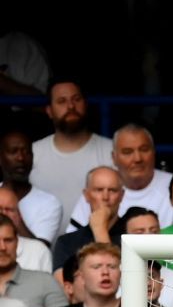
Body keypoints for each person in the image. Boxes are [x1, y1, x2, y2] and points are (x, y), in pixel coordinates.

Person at [28, 81, 115, 215]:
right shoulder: (31, 154)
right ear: (49, 111)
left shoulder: (112, 151)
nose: (70, 106)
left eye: (76, 99)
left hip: (99, 236)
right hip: (41, 237)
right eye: (61, 101)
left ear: (85, 104)